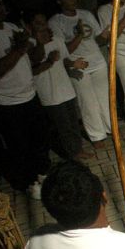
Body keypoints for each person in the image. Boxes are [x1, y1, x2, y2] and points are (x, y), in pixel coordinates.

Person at [0, 0, 50, 196]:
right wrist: (19, 49)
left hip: (30, 95)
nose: (0, 8)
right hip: (8, 103)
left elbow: (34, 58)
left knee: (40, 138)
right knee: (19, 145)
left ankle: (44, 175)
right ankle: (29, 182)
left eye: (0, 3)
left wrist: (40, 43)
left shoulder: (12, 28)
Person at [48, 0, 111, 148]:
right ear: (59, 1)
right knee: (87, 102)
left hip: (97, 62)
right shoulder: (56, 22)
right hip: (78, 66)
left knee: (104, 98)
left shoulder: (86, 14)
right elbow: (64, 50)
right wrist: (79, 35)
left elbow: (98, 39)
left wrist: (107, 34)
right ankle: (97, 136)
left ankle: (110, 128)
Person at [23, 10, 89, 161]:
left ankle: (78, 150)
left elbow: (64, 60)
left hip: (66, 89)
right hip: (49, 94)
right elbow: (32, 70)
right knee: (63, 127)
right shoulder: (29, 46)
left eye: (44, 22)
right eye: (38, 24)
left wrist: (74, 63)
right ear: (29, 26)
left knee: (73, 123)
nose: (42, 27)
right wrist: (49, 60)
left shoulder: (57, 39)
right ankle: (72, 155)